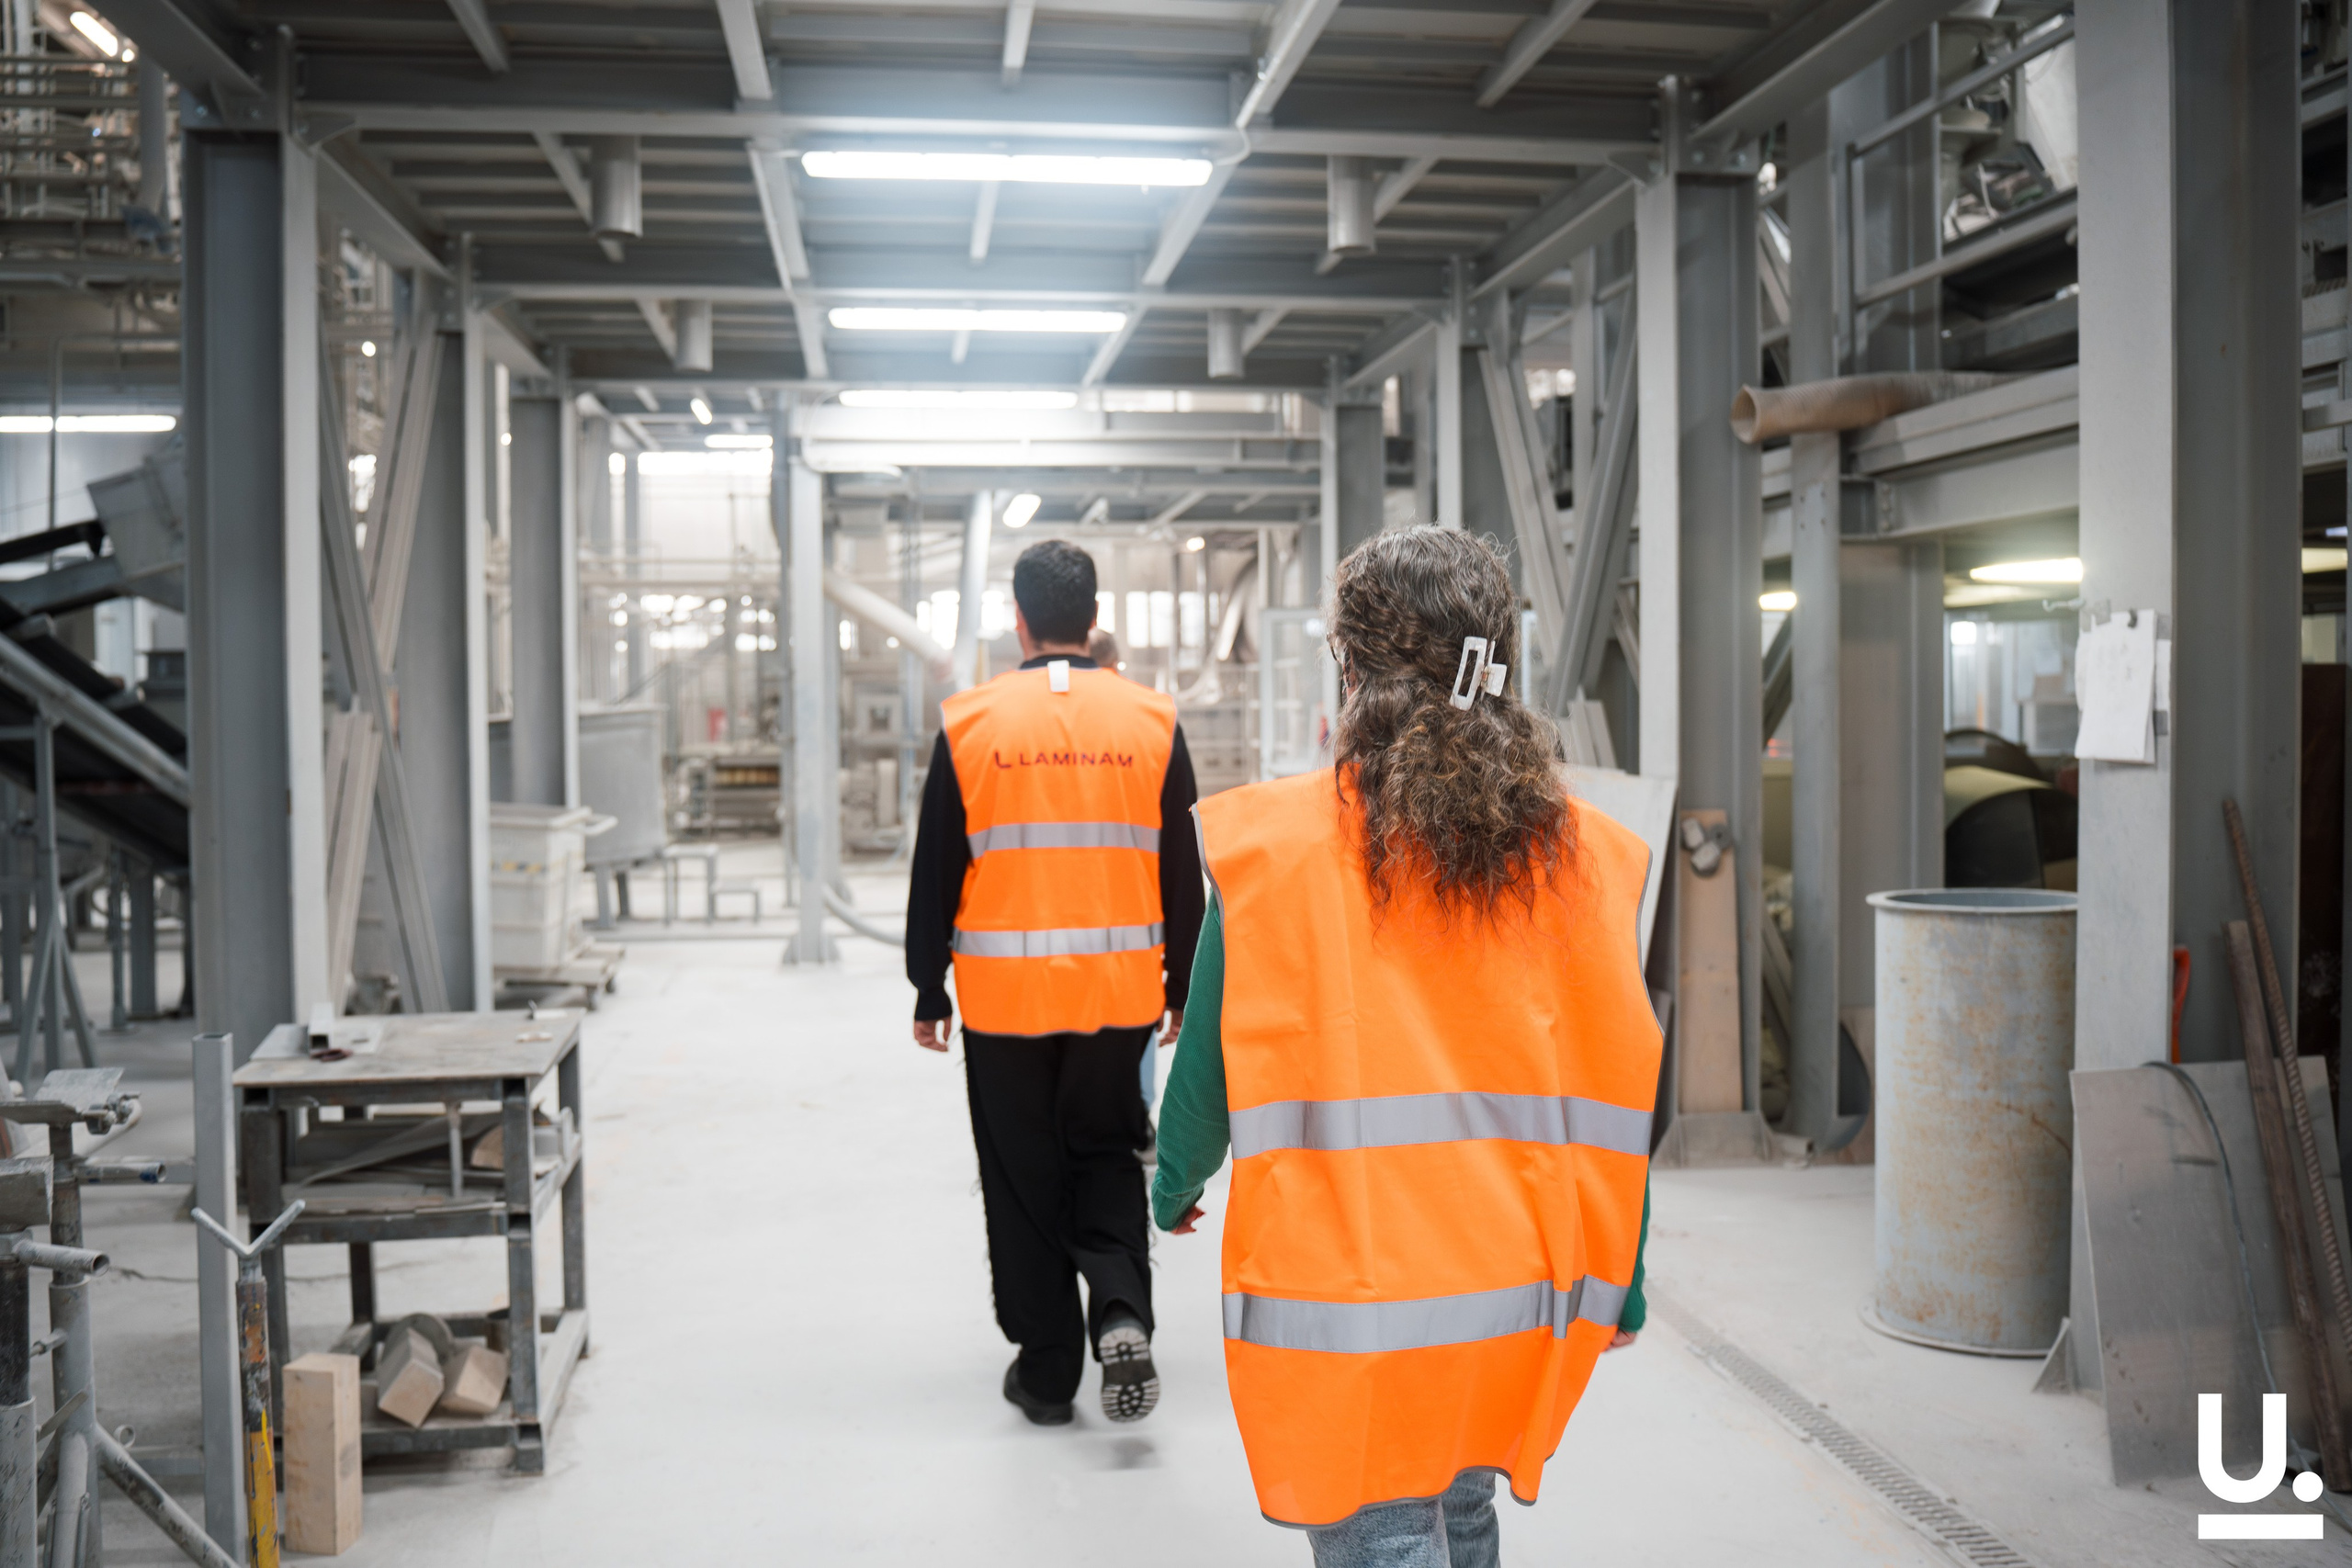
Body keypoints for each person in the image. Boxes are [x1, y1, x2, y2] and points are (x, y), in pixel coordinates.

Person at [1152, 526, 1657, 1566]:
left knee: (1384, 1528)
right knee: (1461, 1503)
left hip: (1358, 1294)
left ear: (1348, 664)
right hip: (1514, 1290)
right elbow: (1614, 1082)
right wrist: (1629, 1277)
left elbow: (1207, 1064)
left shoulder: (1272, 852)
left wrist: (1173, 1181)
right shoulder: (1587, 858)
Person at [906, 538, 1204, 1427]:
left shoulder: (970, 724)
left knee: (1022, 1177)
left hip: (1003, 1006)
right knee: (1106, 1157)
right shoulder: (1151, 722)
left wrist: (929, 988)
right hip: (1116, 998)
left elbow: (935, 869)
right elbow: (1185, 870)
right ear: (1095, 617)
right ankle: (1118, 1305)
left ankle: (1045, 1374)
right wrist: (1183, 981)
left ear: (1020, 620)